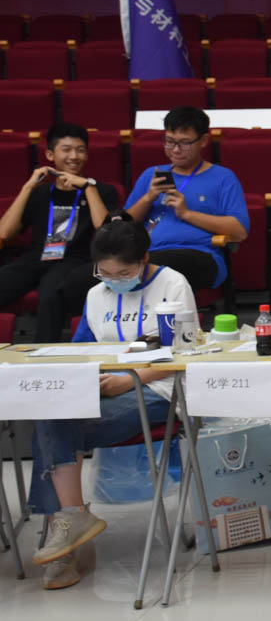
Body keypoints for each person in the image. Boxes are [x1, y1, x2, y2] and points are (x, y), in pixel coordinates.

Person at [28, 214, 192, 590]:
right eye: (105, 273)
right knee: (49, 414)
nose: (114, 280)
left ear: (144, 259)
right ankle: (71, 520)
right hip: (105, 390)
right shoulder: (95, 295)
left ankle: (65, 538)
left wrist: (127, 380)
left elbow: (183, 353)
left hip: (159, 390)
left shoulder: (172, 284)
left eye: (124, 273)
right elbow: (79, 352)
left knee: (52, 431)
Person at [0, 123, 120, 341]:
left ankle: (45, 355)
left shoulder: (103, 190)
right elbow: (4, 233)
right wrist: (27, 188)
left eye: (80, 150)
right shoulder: (39, 193)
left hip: (76, 259)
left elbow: (107, 231)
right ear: (50, 154)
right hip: (36, 258)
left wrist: (88, 187)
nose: (74, 156)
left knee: (50, 294)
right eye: (66, 149)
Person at [124, 106, 249, 293]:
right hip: (148, 253)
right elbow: (124, 225)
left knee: (146, 267)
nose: (175, 149)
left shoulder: (223, 178)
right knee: (94, 273)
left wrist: (187, 214)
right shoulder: (151, 174)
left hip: (200, 254)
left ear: (203, 140)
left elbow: (239, 231)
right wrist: (148, 197)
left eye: (184, 143)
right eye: (169, 142)